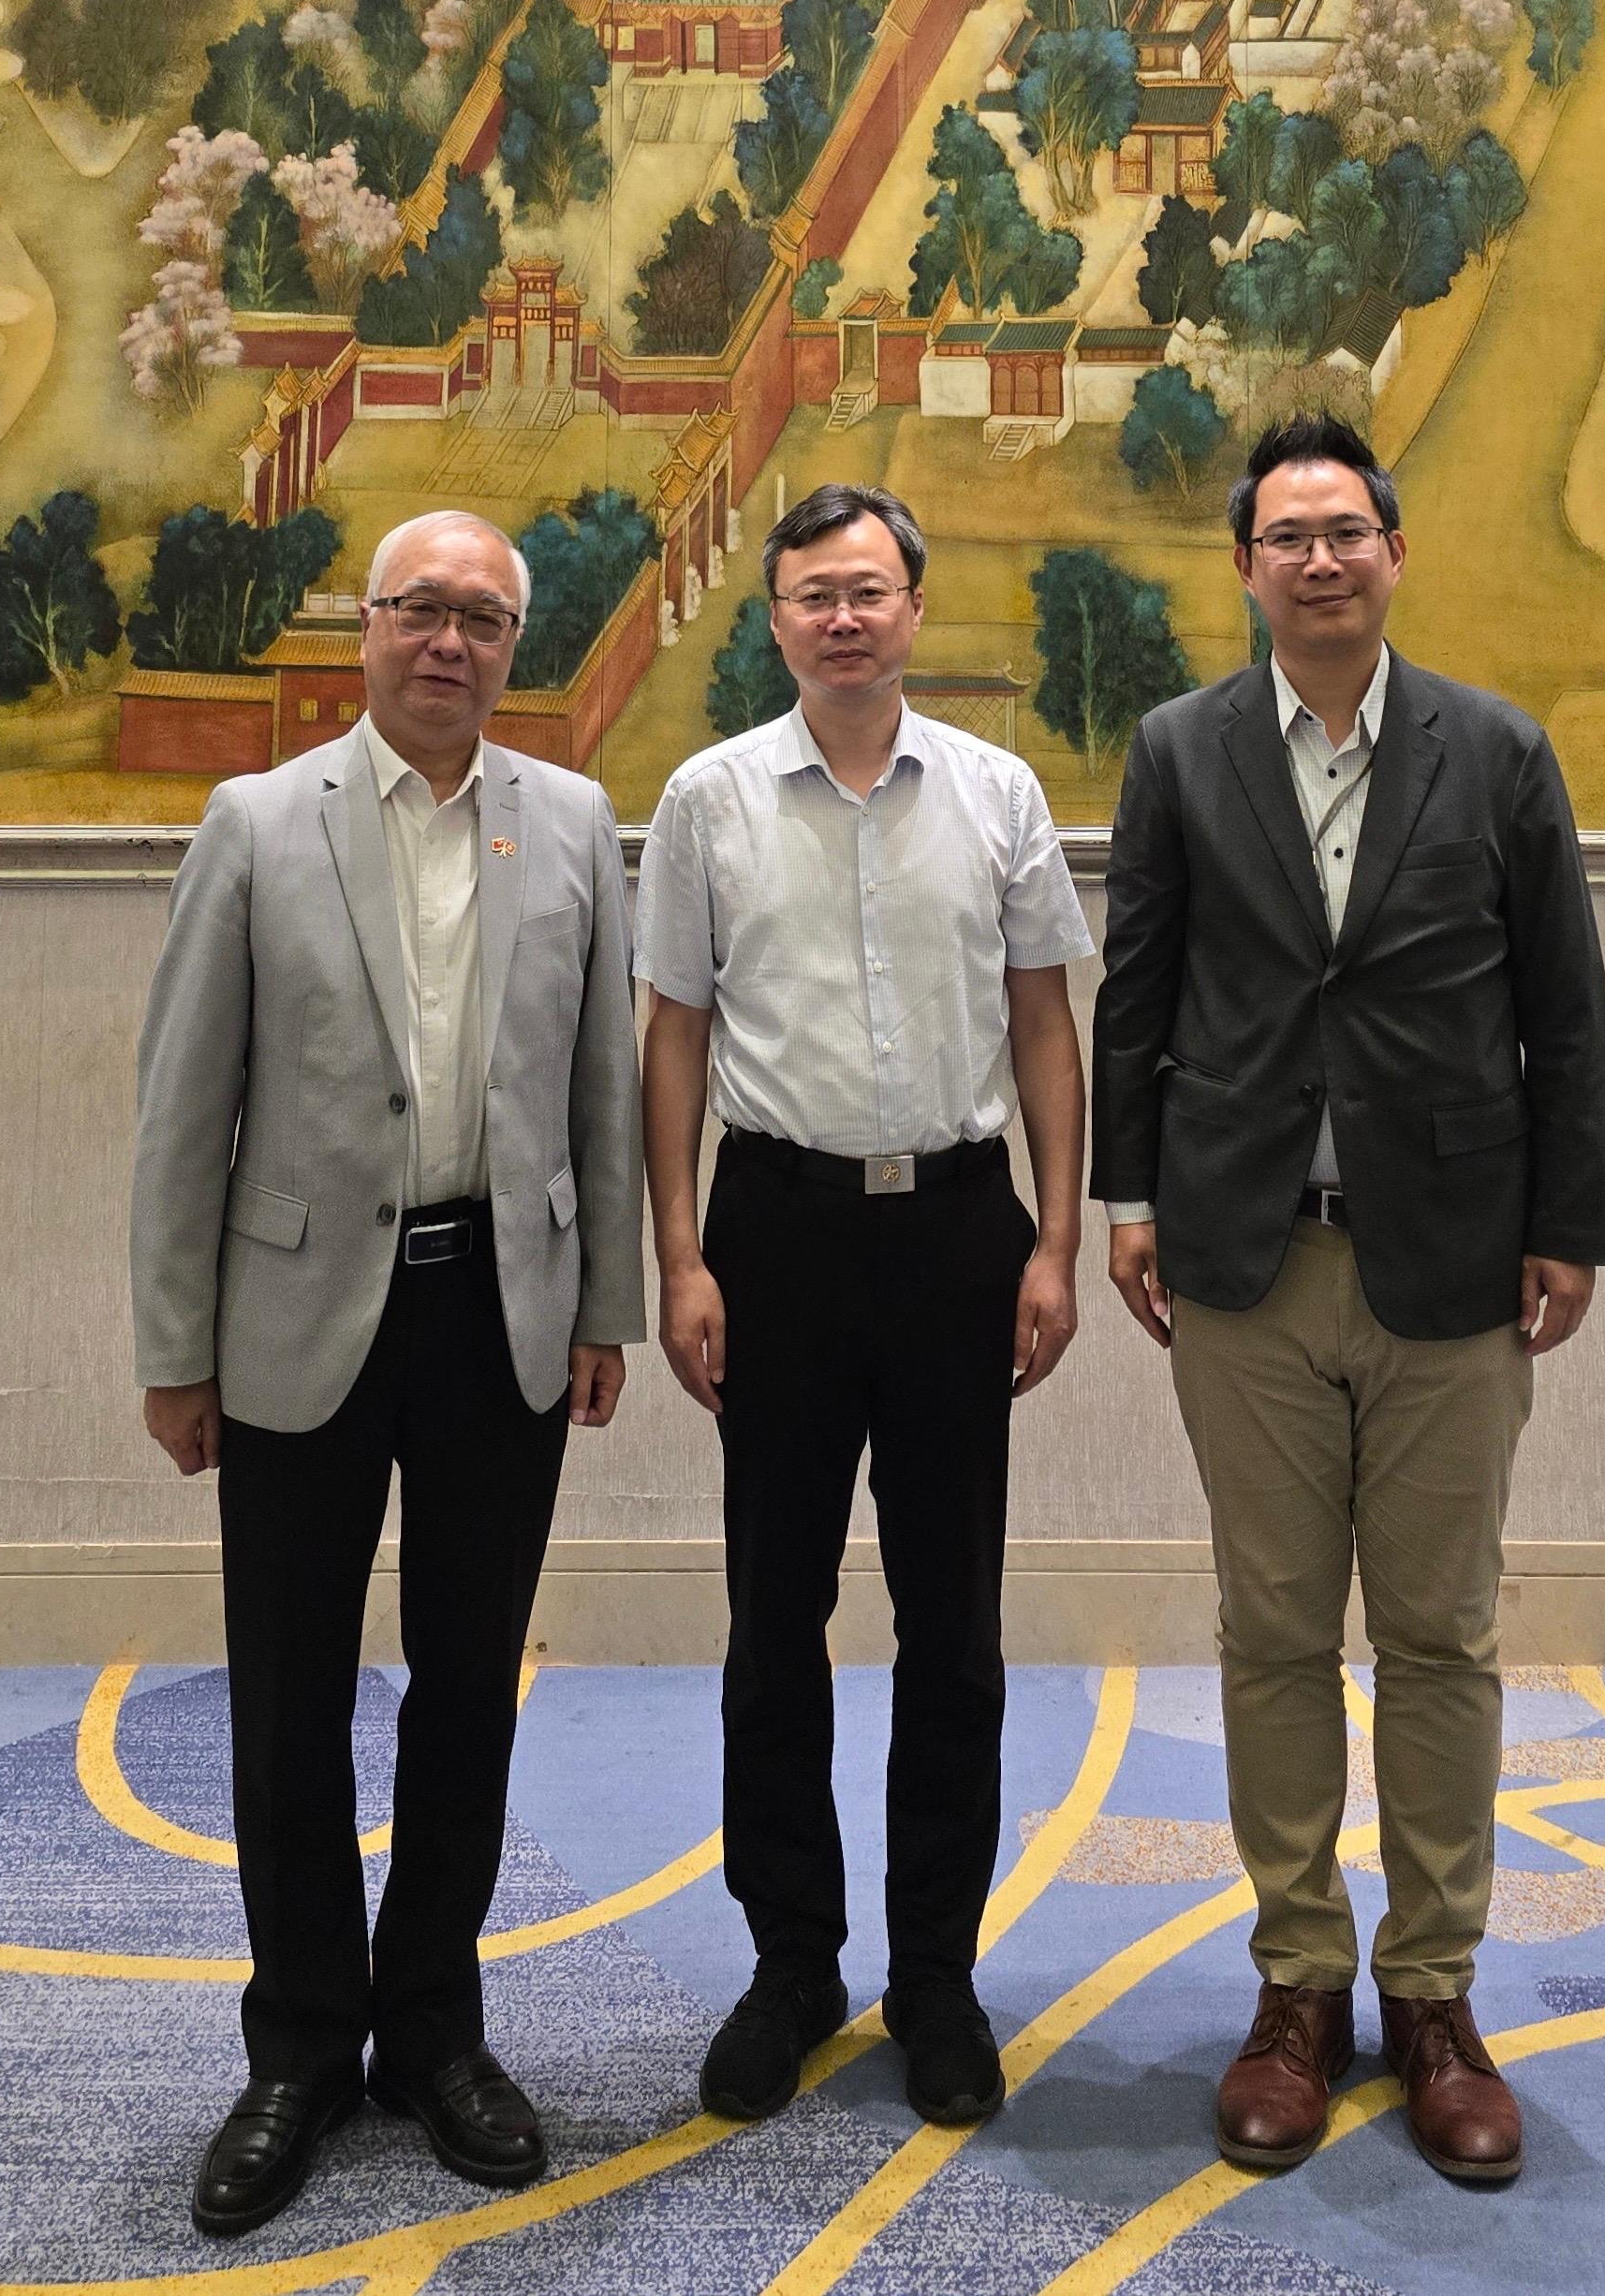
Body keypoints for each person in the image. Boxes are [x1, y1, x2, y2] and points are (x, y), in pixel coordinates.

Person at [1093, 413, 1605, 2188]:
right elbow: (1140, 992)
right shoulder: (1181, 751)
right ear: (1246, 569)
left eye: (1346, 532)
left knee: (1443, 1635)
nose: (1319, 560)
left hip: (1454, 1262)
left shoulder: (1497, 751)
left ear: (1394, 555)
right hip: (1244, 1258)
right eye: (1286, 537)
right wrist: (1127, 1197)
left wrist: (1569, 1223)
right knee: (1267, 1633)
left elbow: (1565, 1003)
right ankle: (1300, 1985)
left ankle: (1437, 1994)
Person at [132, 507, 645, 2237]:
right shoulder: (258, 825)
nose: (450, 642)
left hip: (496, 1309)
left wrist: (606, 1310)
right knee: (286, 1701)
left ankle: (431, 2028)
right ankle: (297, 2048)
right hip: (298, 1314)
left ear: (517, 649)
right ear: (365, 630)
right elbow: (180, 1112)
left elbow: (601, 1100)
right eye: (421, 609)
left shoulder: (571, 825)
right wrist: (171, 1347)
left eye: (485, 619)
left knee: (465, 1685)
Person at [636, 481, 1091, 2132]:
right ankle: (791, 1962)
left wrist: (1050, 1245)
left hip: (962, 1230)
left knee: (951, 1627)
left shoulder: (998, 793)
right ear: (775, 621)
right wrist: (678, 1258)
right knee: (776, 1621)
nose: (843, 618)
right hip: (778, 1237)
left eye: (871, 591)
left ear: (915, 611)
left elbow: (1046, 1023)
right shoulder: (706, 799)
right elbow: (671, 1035)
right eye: (812, 595)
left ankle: (936, 1974)